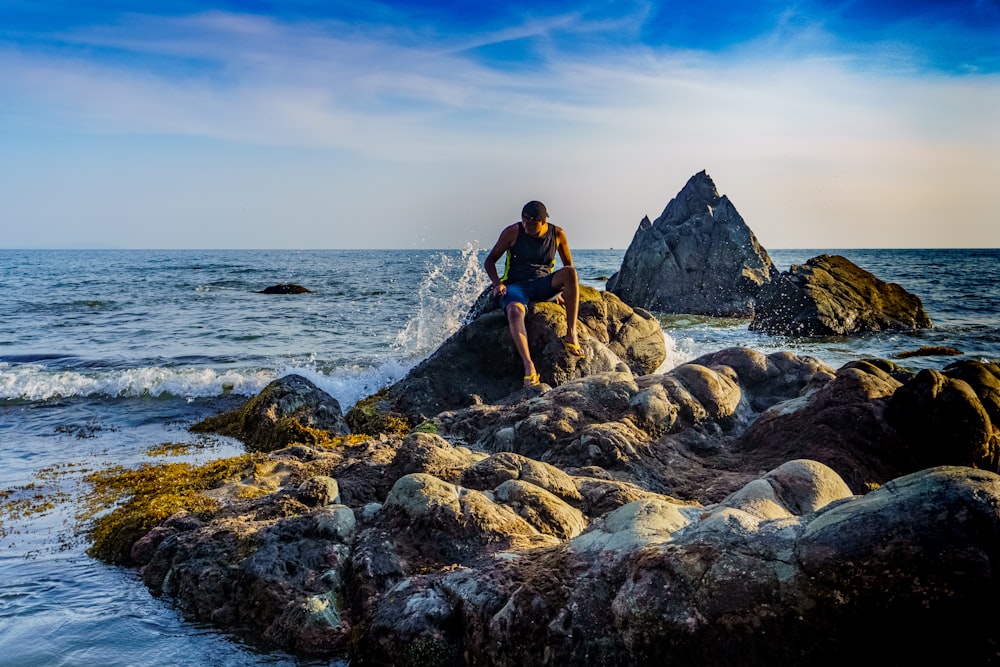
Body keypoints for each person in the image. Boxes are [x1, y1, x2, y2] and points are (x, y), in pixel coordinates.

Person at [484, 200, 584, 388]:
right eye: (524, 222)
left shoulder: (558, 234)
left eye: (531, 224)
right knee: (514, 311)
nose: (527, 227)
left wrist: (559, 293)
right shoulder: (512, 232)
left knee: (571, 273)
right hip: (516, 287)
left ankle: (571, 334)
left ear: (543, 221)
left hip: (543, 284)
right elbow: (490, 261)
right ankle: (528, 365)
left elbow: (567, 266)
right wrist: (497, 284)